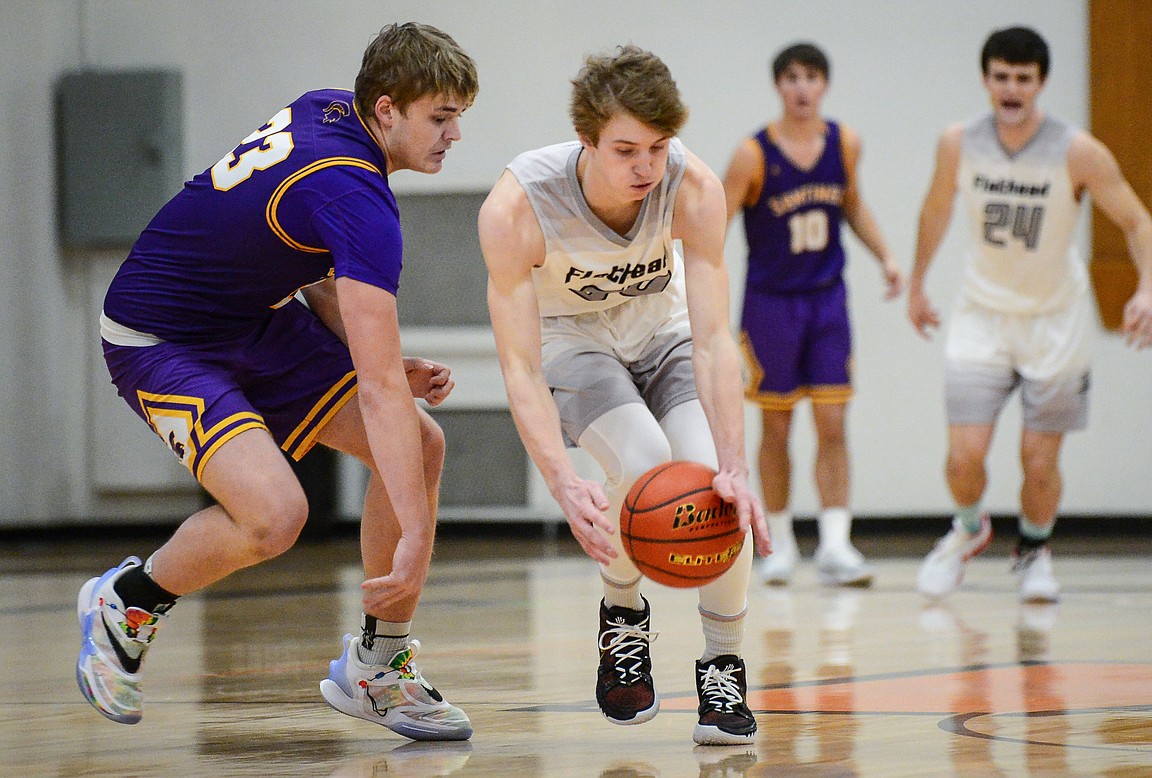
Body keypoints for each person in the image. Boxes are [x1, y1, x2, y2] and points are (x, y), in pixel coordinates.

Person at [76, 23, 480, 741]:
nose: (454, 135)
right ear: (386, 109)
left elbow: (314, 265)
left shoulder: (328, 105)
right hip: (160, 338)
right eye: (440, 118)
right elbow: (382, 388)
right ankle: (127, 602)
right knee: (274, 517)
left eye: (458, 118)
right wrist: (416, 532)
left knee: (418, 446)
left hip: (253, 320)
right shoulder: (357, 193)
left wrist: (376, 357)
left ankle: (379, 667)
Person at [478, 45, 772, 746]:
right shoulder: (518, 206)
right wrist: (560, 479)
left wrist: (736, 462)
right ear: (586, 140)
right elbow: (519, 367)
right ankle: (622, 617)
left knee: (709, 484)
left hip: (663, 332)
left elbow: (712, 341)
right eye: (626, 150)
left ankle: (722, 665)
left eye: (660, 147)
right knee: (640, 459)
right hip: (573, 340)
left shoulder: (693, 188)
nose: (647, 167)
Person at [908, 26, 1152, 601]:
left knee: (1037, 460)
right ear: (986, 80)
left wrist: (1147, 289)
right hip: (982, 315)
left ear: (1041, 83)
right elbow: (935, 209)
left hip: (1055, 321)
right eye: (1001, 76)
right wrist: (918, 283)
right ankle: (969, 530)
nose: (1012, 87)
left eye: (1023, 77)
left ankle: (1034, 551)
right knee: (964, 456)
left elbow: (1139, 223)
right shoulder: (959, 143)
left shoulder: (1077, 151)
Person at [722, 42, 904, 587]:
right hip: (771, 304)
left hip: (827, 300)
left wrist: (887, 257)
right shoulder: (752, 155)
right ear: (778, 86)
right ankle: (776, 546)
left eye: (812, 77)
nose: (802, 88)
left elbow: (853, 205)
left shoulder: (844, 142)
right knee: (775, 426)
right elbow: (718, 222)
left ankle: (836, 545)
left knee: (833, 423)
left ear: (825, 84)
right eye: (792, 78)